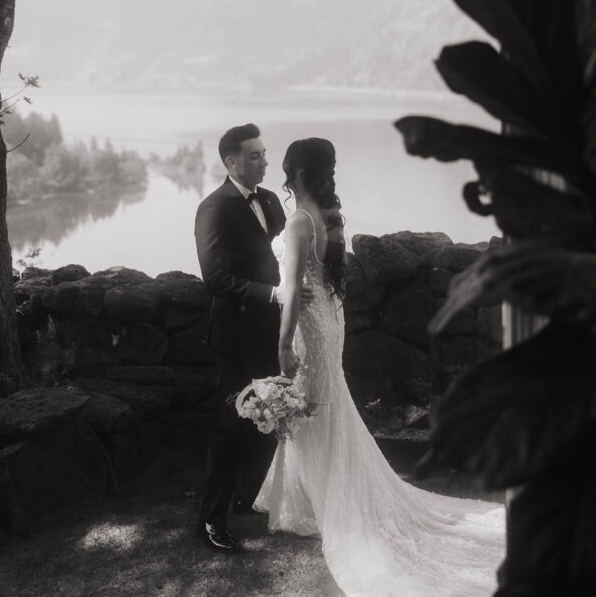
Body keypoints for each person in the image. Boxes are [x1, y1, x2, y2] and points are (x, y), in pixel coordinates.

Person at [254, 137, 505, 597]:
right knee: (325, 405)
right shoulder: (324, 216)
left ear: (294, 170)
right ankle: (314, 496)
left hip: (311, 325)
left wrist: (283, 341)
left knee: (315, 405)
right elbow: (323, 282)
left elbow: (292, 289)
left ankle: (326, 503)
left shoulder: (297, 221)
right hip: (330, 319)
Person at [195, 123, 309, 552]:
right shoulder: (214, 208)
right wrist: (274, 293)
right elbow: (216, 279)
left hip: (273, 333)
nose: (265, 161)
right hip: (236, 336)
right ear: (232, 162)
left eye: (265, 153)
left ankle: (249, 498)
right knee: (229, 427)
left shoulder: (269, 201)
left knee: (270, 418)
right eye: (256, 156)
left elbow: (284, 260)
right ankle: (212, 521)